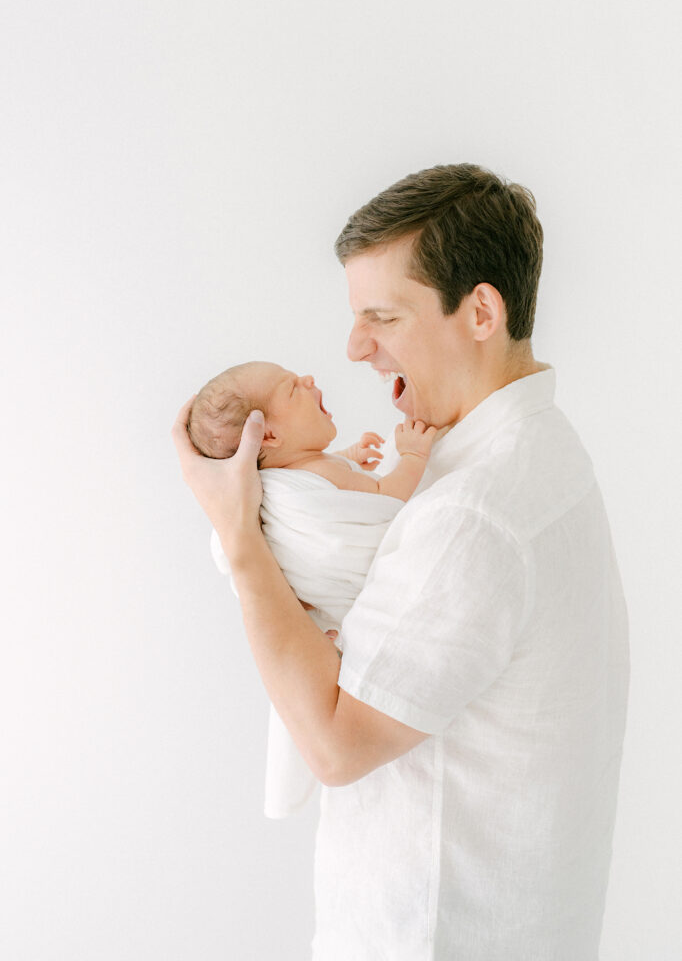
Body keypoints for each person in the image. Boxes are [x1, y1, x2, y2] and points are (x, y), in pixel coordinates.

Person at [172, 163, 630, 960]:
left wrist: (242, 542)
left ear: (480, 310)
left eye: (381, 316)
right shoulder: (537, 452)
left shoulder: (472, 515)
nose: (354, 349)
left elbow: (336, 746)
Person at [187, 359, 437, 817]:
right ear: (268, 437)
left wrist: (349, 456)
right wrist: (415, 457)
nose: (309, 380)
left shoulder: (279, 486)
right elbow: (384, 501)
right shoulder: (313, 482)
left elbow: (327, 480)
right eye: (291, 388)